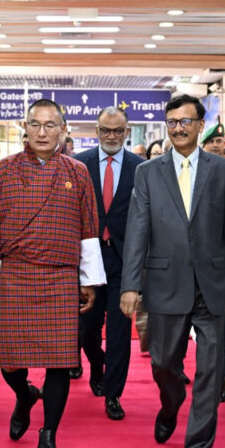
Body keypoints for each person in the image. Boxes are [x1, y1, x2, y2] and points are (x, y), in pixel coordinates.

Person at [0, 99, 104, 448]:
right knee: (9, 360)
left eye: (50, 125)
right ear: (25, 127)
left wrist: (90, 280)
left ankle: (48, 437)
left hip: (61, 277)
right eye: (35, 124)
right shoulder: (2, 171)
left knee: (61, 362)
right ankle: (24, 394)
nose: (42, 132)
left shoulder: (77, 173)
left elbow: (89, 228)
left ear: (63, 129)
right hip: (15, 274)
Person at [120, 94, 225, 448]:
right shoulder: (148, 172)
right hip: (164, 283)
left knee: (211, 369)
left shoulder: (223, 170)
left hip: (212, 286)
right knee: (163, 364)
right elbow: (137, 231)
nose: (178, 128)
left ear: (200, 125)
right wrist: (130, 284)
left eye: (185, 121)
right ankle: (171, 402)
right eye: (172, 122)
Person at [73, 107, 144, 420]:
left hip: (123, 260)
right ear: (97, 131)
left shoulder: (141, 168)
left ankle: (113, 394)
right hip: (88, 259)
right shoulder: (79, 165)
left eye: (117, 131)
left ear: (127, 132)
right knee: (86, 330)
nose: (111, 136)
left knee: (119, 332)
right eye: (105, 130)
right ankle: (96, 363)